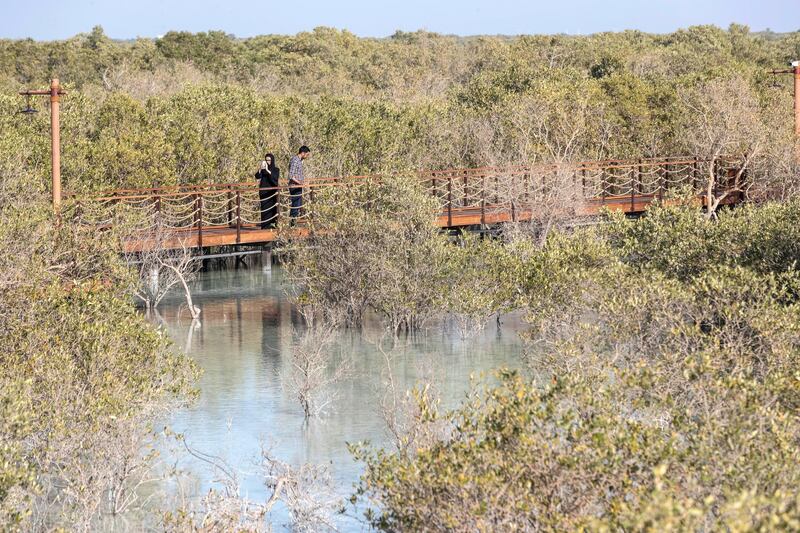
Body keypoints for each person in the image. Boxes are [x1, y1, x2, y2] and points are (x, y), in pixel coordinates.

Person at [256, 153, 280, 229]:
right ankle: (265, 226)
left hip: (272, 192)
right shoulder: (263, 170)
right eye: (266, 160)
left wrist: (267, 170)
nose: (267, 162)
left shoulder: (276, 169)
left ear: (272, 160)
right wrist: (260, 169)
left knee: (273, 209)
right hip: (264, 193)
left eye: (269, 160)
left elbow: (275, 178)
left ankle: (273, 225)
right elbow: (257, 176)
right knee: (265, 209)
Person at [288, 146, 311, 221]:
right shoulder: (295, 160)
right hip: (294, 186)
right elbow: (291, 176)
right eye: (307, 155)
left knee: (298, 205)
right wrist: (300, 183)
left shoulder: (299, 161)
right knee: (295, 205)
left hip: (298, 186)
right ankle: (292, 224)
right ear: (303, 153)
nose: (307, 156)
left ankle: (293, 223)